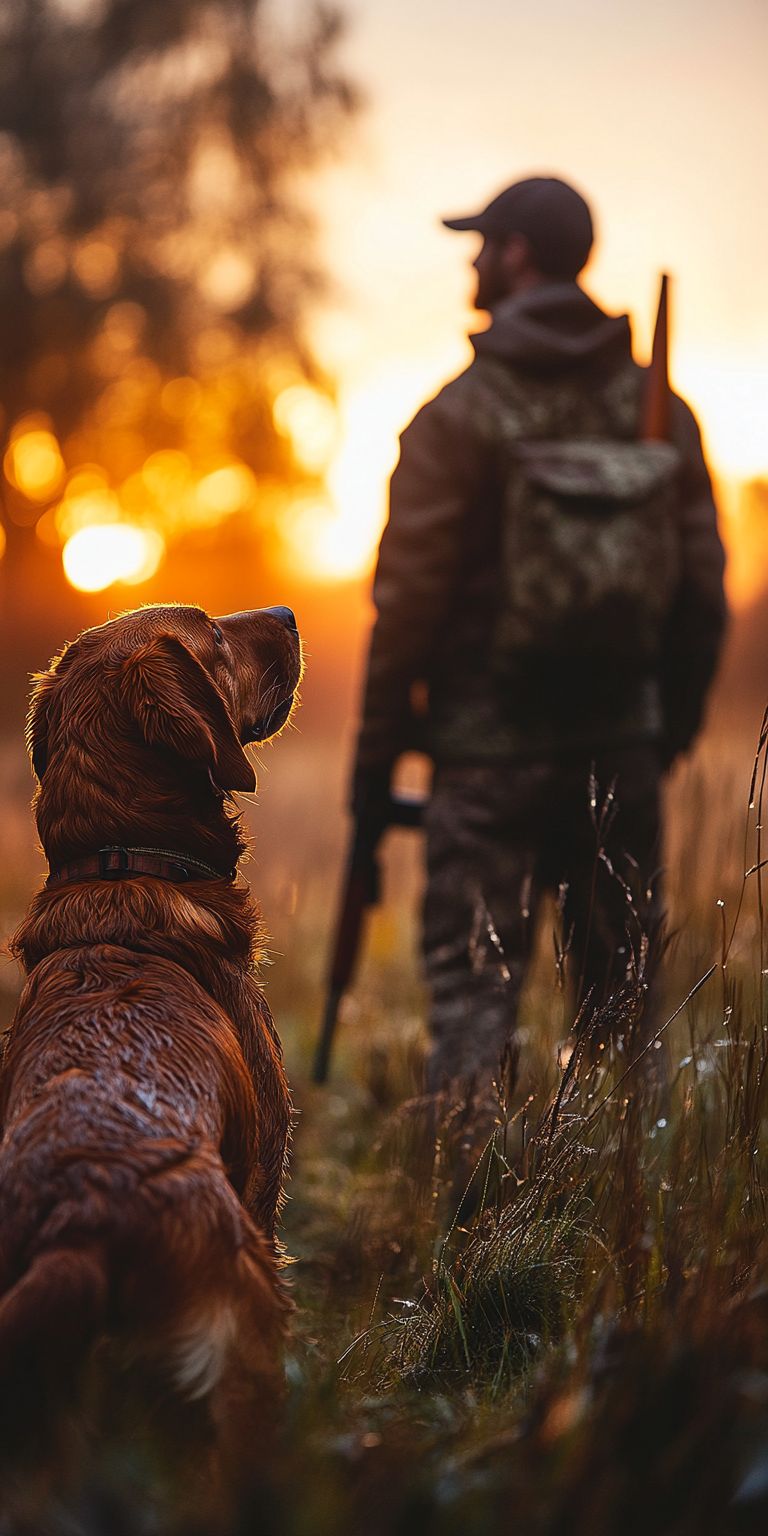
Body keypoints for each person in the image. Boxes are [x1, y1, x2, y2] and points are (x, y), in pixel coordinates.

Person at [352, 175, 726, 1101]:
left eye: (484, 243)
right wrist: (660, 731)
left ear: (518, 253)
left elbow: (405, 609)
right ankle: (614, 1213)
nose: (475, 260)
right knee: (619, 1023)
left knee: (474, 1018)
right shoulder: (656, 409)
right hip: (619, 758)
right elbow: (703, 593)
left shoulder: (456, 417)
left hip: (482, 766)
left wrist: (377, 764)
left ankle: (470, 1229)